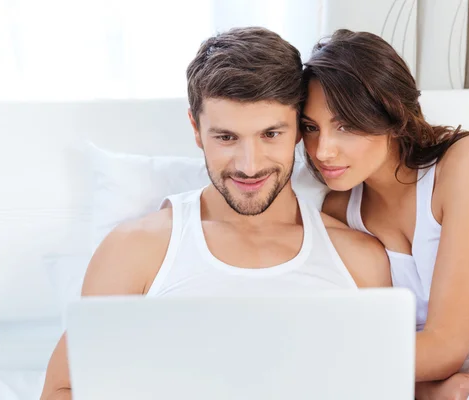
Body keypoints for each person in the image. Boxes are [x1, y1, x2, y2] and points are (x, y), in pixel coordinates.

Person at [39, 27, 391, 400]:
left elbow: (388, 382)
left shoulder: (358, 259)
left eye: (271, 134)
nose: (249, 165)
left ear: (300, 131)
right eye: (226, 137)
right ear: (196, 129)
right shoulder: (136, 251)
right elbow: (63, 389)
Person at [300, 29, 469, 399]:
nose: (322, 151)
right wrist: (429, 392)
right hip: (431, 382)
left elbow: (445, 347)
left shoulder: (468, 166)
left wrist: (316, 366)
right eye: (310, 128)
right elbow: (375, 333)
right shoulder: (337, 210)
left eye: (345, 125)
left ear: (392, 114)